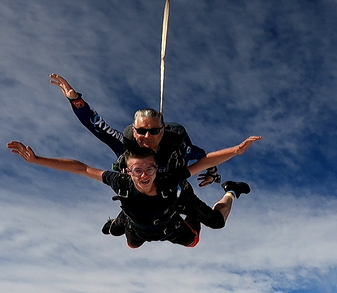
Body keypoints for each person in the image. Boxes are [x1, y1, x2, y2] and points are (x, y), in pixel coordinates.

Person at [49, 73, 227, 235]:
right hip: (138, 198)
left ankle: (232, 191)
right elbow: (97, 126)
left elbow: (203, 156)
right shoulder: (125, 146)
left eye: (154, 131)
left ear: (163, 131)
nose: (147, 136)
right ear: (134, 131)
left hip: (178, 193)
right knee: (118, 229)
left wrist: (212, 172)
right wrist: (76, 101)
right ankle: (120, 220)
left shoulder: (177, 148)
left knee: (217, 222)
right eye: (141, 131)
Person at [6, 136, 261, 248]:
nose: (144, 176)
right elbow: (83, 168)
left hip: (170, 225)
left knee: (212, 226)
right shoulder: (121, 183)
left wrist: (235, 151)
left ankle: (231, 192)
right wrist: (37, 159)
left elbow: (202, 163)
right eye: (137, 171)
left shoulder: (167, 179)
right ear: (127, 172)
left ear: (156, 168)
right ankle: (119, 221)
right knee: (128, 240)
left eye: (149, 169)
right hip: (137, 227)